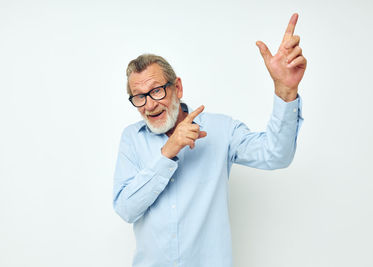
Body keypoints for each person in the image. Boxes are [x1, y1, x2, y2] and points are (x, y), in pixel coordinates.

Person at [113, 13, 306, 267]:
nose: (149, 105)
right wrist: (167, 153)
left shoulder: (221, 130)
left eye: (156, 91)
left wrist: (286, 91)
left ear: (177, 88)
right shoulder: (131, 139)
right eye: (139, 97)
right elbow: (126, 209)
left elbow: (276, 155)